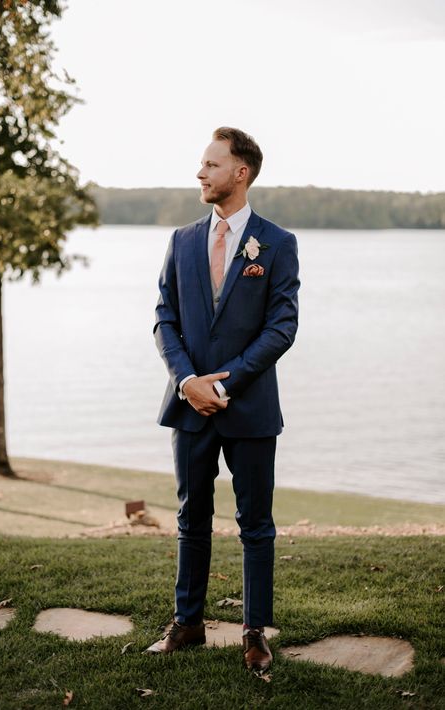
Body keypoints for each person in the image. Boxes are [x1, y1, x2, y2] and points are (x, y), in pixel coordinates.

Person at [146, 127, 300, 671]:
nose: (200, 173)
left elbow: (282, 327)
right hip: (188, 405)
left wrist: (224, 383)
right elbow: (165, 320)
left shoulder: (276, 243)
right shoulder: (182, 241)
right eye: (201, 164)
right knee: (191, 516)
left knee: (256, 522)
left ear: (241, 172)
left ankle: (255, 632)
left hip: (249, 407)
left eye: (211, 165)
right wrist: (189, 382)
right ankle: (187, 624)